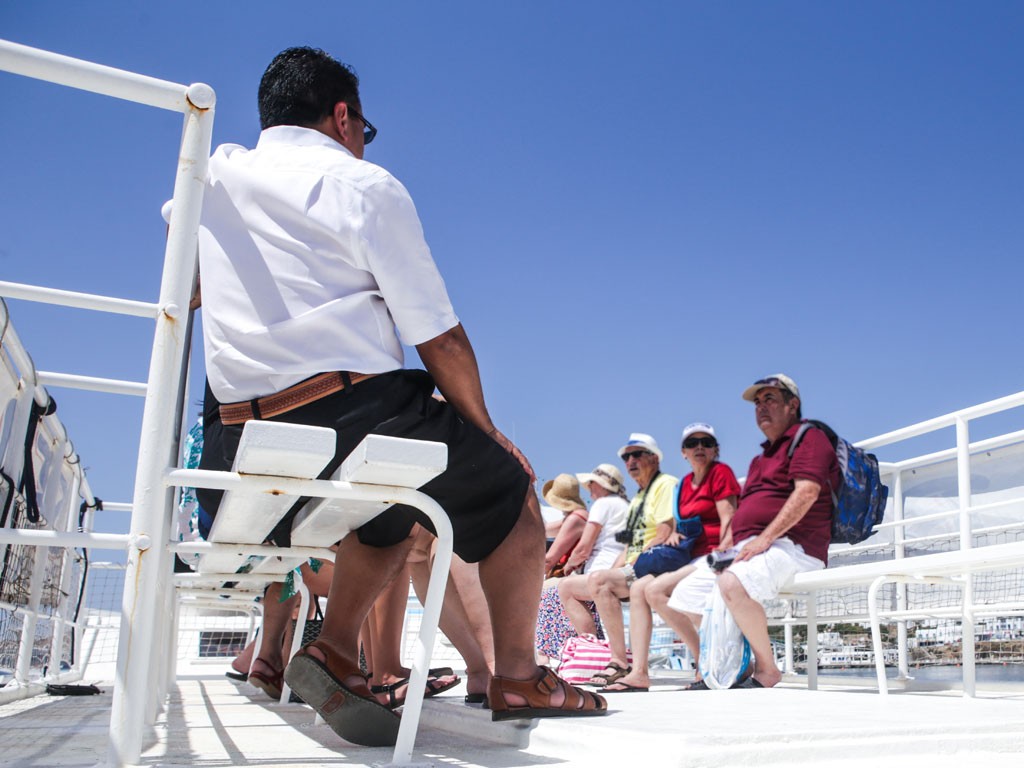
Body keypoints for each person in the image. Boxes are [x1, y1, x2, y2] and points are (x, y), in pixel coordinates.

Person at [195, 46, 606, 745]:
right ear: (343, 115)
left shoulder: (212, 176)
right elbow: (438, 339)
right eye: (363, 129)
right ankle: (516, 674)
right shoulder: (362, 184)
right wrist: (490, 431)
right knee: (508, 489)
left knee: (391, 501)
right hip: (343, 416)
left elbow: (190, 288)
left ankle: (335, 649)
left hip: (230, 446)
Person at [667, 374, 839, 688]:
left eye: (770, 399)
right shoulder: (762, 457)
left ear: (792, 405)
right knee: (684, 595)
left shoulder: (809, 437)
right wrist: (730, 547)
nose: (761, 408)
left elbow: (806, 493)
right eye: (757, 403)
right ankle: (731, 660)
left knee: (731, 584)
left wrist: (766, 537)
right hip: (751, 546)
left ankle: (767, 669)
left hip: (795, 546)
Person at [606, 423, 740, 693]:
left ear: (716, 449)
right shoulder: (685, 485)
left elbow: (730, 518)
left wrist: (723, 554)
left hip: (715, 555)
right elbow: (682, 526)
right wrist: (675, 536)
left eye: (706, 442)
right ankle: (639, 672)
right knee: (640, 589)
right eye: (692, 444)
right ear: (683, 452)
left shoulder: (720, 473)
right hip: (692, 557)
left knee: (654, 590)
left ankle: (704, 662)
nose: (699, 447)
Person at [557, 434, 677, 688]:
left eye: (638, 455)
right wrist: (612, 573)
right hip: (635, 567)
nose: (631, 461)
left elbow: (665, 531)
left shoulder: (665, 485)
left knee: (596, 581)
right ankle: (594, 651)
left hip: (655, 565)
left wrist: (616, 573)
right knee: (567, 587)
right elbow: (628, 545)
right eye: (626, 456)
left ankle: (619, 661)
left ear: (654, 458)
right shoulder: (636, 499)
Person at [534, 465, 628, 663]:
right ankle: (582, 648)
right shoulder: (624, 505)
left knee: (555, 592)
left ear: (600, 485)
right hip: (613, 571)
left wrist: (568, 568)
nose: (590, 488)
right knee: (558, 591)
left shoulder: (602, 505)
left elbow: (583, 549)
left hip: (598, 572)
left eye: (591, 484)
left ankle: (590, 651)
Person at [542, 474, 590, 579]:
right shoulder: (579, 515)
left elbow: (549, 560)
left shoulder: (574, 519)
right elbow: (544, 530)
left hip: (574, 575)